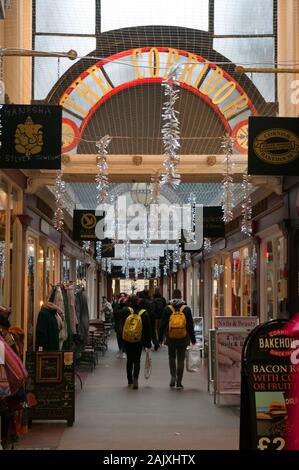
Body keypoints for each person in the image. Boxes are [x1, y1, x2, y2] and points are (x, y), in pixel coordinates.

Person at [159, 289, 196, 390]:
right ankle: (179, 382)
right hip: (183, 337)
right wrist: (193, 339)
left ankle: (173, 376)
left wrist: (160, 338)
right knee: (181, 358)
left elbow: (162, 324)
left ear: (172, 296)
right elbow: (190, 326)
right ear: (181, 296)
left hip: (171, 337)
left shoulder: (167, 308)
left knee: (171, 356)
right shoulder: (186, 309)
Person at [121, 294, 152, 389]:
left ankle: (129, 380)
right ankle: (135, 380)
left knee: (129, 360)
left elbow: (121, 324)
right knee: (137, 360)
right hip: (139, 340)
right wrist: (148, 343)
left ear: (129, 301)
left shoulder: (125, 311)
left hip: (127, 339)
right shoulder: (143, 313)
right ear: (138, 301)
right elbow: (147, 329)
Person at [113, 293, 127, 358]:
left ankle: (124, 351)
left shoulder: (127, 305)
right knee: (119, 337)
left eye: (123, 296)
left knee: (124, 338)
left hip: (125, 324)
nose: (122, 298)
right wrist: (118, 303)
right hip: (118, 324)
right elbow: (115, 313)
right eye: (121, 297)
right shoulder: (117, 305)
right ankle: (120, 349)